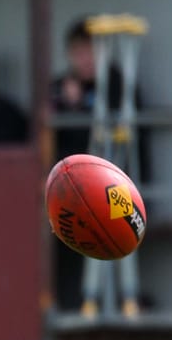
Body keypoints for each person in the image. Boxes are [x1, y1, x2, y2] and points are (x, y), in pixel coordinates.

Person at [49, 17, 147, 314]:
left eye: (90, 51)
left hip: (112, 190)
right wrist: (69, 106)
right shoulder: (59, 89)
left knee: (110, 233)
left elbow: (131, 145)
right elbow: (54, 142)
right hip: (70, 191)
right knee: (58, 232)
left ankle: (123, 298)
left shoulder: (119, 85)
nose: (85, 59)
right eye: (78, 52)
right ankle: (69, 301)